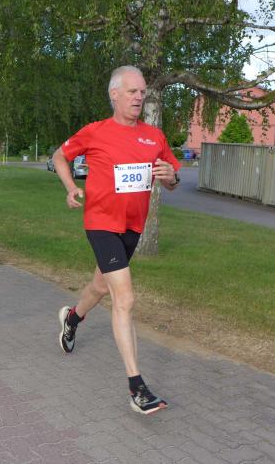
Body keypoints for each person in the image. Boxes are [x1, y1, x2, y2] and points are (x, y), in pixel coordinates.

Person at [52, 65, 180, 415]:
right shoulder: (95, 132)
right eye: (132, 91)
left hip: (132, 227)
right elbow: (60, 156)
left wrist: (170, 177)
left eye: (142, 92)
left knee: (100, 286)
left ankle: (72, 319)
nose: (139, 97)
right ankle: (137, 388)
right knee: (124, 298)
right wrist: (70, 187)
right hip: (101, 223)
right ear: (115, 94)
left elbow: (171, 180)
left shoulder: (154, 137)